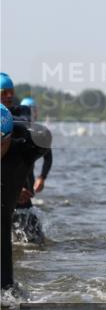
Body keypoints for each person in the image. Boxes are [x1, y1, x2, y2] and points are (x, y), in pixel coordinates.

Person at [2, 104, 52, 291]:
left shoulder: (22, 146)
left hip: (16, 199)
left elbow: (44, 136)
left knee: (35, 243)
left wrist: (39, 178)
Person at [13, 97, 53, 244]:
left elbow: (48, 156)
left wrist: (42, 177)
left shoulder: (36, 133)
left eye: (33, 112)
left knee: (36, 242)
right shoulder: (10, 134)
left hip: (24, 194)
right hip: (12, 192)